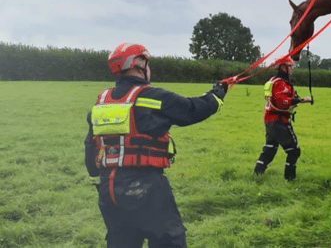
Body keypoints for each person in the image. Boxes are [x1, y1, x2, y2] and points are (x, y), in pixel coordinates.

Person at [84, 43, 227, 248]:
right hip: (145, 188)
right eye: (147, 63)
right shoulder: (151, 97)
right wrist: (217, 95)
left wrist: (97, 179)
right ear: (139, 64)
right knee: (169, 240)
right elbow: (191, 110)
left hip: (109, 189)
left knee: (121, 242)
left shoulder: (101, 102)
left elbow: (91, 146)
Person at [254, 55, 311, 181]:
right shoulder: (281, 83)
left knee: (270, 149)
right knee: (293, 151)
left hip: (270, 120)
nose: (292, 69)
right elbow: (282, 102)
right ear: (283, 67)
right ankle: (290, 179)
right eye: (290, 66)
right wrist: (301, 100)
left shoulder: (273, 80)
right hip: (279, 121)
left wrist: (295, 101)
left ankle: (257, 175)